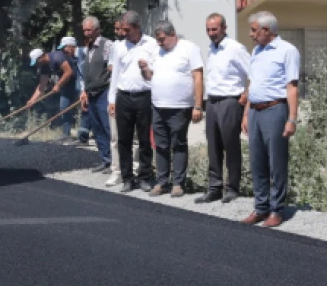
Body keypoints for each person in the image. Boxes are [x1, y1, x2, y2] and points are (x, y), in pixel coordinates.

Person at [241, 11, 300, 229]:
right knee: (257, 162)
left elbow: (292, 87)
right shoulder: (257, 51)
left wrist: (292, 119)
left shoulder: (287, 51)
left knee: (276, 162)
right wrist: (246, 113)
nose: (251, 35)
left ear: (266, 30)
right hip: (255, 111)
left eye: (254, 30)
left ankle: (277, 209)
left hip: (275, 110)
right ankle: (260, 207)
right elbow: (253, 84)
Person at [138, 20, 203, 198]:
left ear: (173, 34)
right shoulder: (157, 52)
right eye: (157, 39)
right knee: (160, 145)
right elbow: (151, 76)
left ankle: (178, 183)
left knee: (178, 144)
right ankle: (161, 182)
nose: (159, 43)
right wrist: (144, 69)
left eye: (162, 39)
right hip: (158, 105)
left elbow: (198, 77)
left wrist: (198, 105)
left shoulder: (189, 48)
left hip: (180, 107)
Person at [196, 12, 250, 205]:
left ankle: (233, 187)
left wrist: (246, 94)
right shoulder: (212, 48)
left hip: (229, 101)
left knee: (231, 146)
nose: (211, 33)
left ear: (224, 28)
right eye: (208, 30)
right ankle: (214, 188)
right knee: (213, 146)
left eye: (214, 29)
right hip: (212, 102)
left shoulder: (235, 49)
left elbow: (253, 73)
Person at [107, 10, 158, 193]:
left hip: (144, 96)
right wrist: (112, 100)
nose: (123, 33)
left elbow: (156, 71)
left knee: (144, 139)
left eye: (127, 29)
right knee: (124, 140)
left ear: (137, 27)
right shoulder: (118, 47)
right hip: (124, 97)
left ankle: (144, 177)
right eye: (122, 29)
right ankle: (127, 178)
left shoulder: (151, 44)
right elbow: (115, 76)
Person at [75, 18, 114, 172]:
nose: (86, 33)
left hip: (104, 92)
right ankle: (105, 160)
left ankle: (115, 163)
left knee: (107, 127)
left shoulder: (107, 45)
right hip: (91, 93)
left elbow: (112, 69)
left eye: (89, 30)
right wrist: (84, 91)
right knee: (97, 128)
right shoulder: (87, 47)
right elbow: (85, 72)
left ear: (97, 30)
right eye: (85, 30)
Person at [27, 45, 78, 142]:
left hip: (79, 79)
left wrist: (58, 85)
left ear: (42, 56)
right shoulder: (44, 67)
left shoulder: (57, 57)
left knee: (85, 106)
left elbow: (68, 72)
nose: (37, 64)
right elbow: (42, 86)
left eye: (37, 61)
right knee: (64, 106)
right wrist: (32, 100)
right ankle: (66, 134)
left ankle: (85, 133)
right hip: (68, 82)